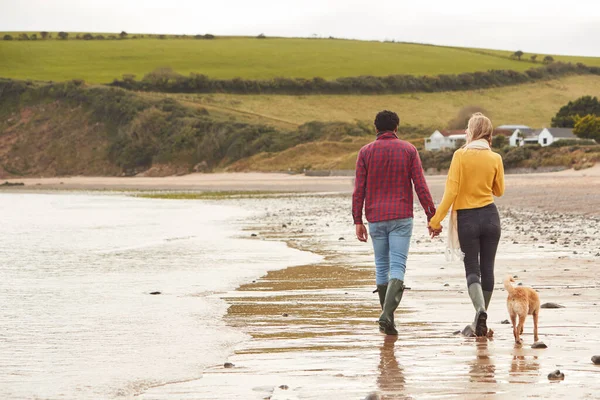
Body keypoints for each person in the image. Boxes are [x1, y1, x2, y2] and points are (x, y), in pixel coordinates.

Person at [353, 110, 438, 335]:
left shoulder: (365, 152)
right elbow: (420, 185)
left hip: (375, 217)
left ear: (376, 128)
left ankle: (387, 318)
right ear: (396, 128)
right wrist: (432, 215)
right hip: (401, 216)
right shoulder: (409, 150)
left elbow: (358, 189)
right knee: (398, 265)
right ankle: (386, 316)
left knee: (382, 265)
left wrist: (357, 220)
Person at [428, 112, 505, 337]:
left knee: (472, 268)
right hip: (491, 217)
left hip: (467, 219)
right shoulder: (496, 158)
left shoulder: (460, 156)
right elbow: (499, 191)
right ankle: (479, 319)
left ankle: (480, 311)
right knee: (488, 268)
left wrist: (435, 221)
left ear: (471, 132)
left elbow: (451, 192)